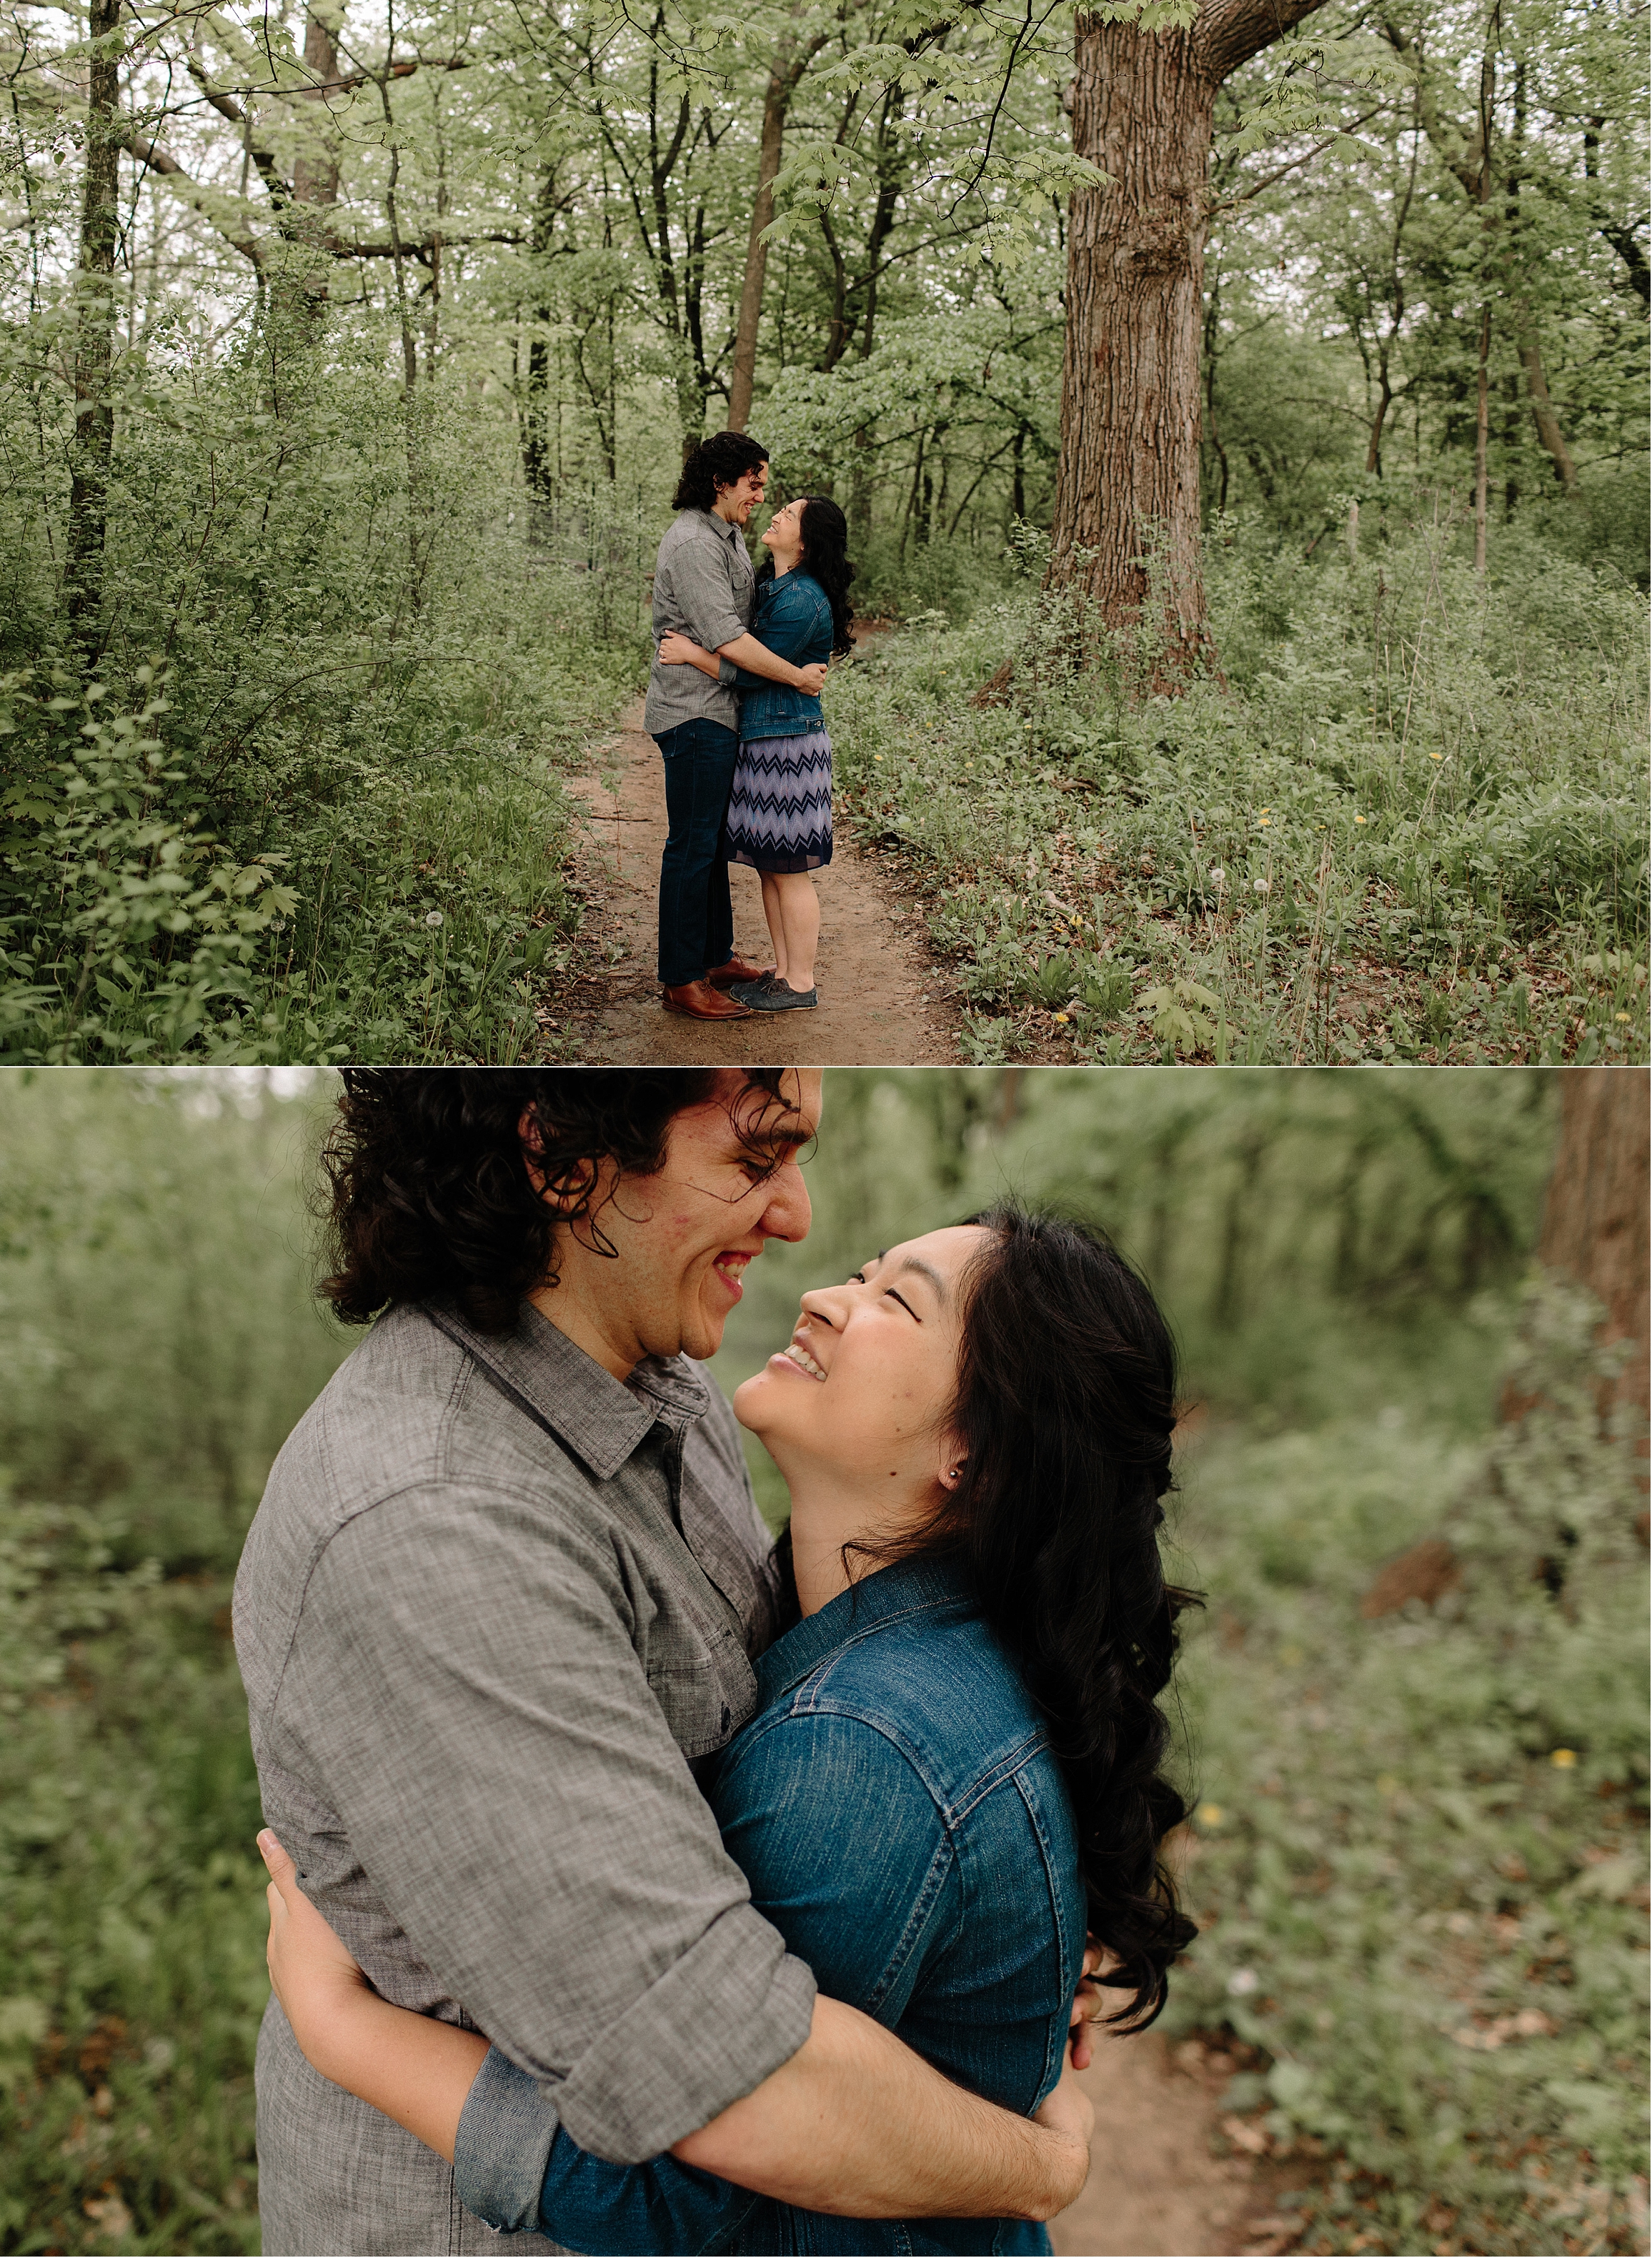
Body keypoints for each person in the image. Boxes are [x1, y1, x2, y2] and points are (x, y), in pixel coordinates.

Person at [234, 1070, 1112, 2257]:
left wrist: (993, 1945)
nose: (799, 1217)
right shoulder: (435, 1521)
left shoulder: (665, 1384)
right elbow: (720, 2089)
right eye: (754, 1160)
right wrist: (1039, 2161)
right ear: (562, 1157)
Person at [647, 433, 830, 1024]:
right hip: (696, 714)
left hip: (724, 713)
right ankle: (681, 978)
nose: (760, 496)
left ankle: (716, 956)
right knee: (691, 846)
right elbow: (730, 639)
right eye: (754, 483)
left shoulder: (727, 538)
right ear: (722, 480)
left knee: (712, 845)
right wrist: (798, 679)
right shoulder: (695, 545)